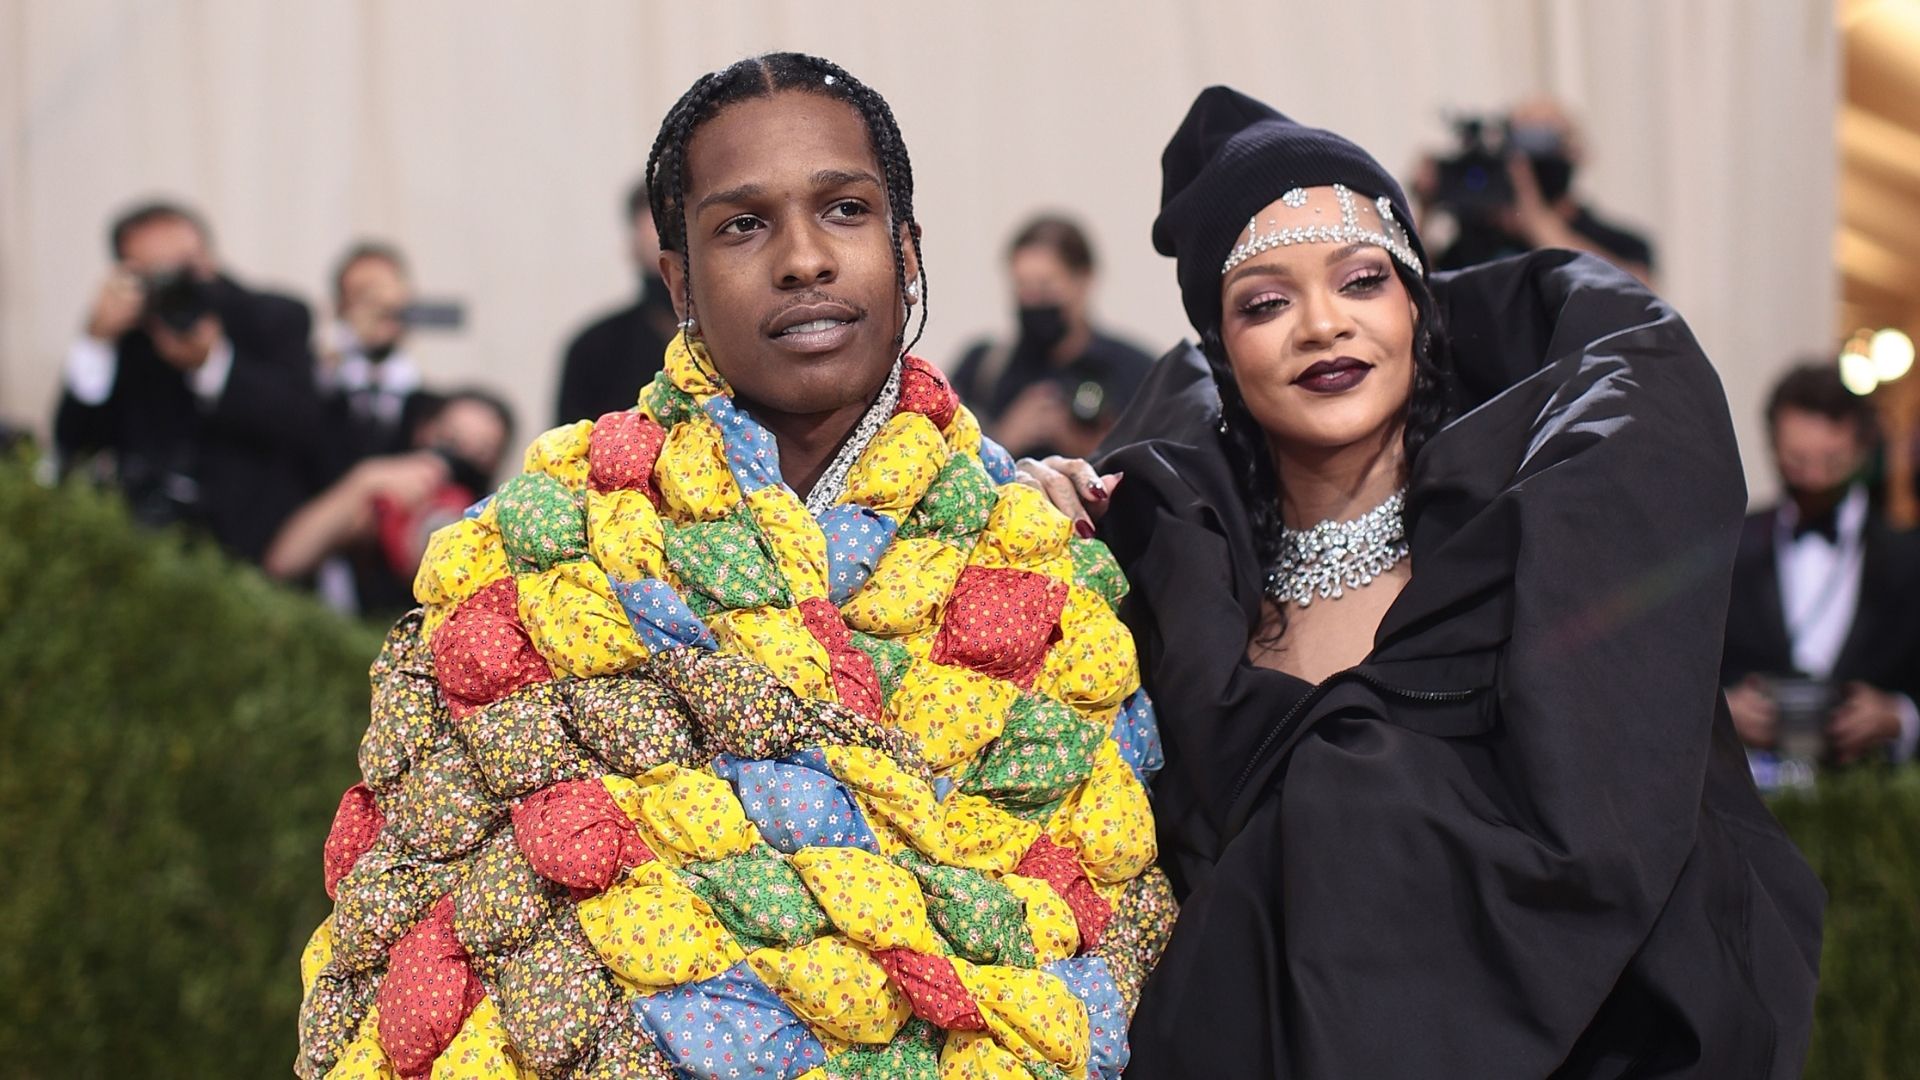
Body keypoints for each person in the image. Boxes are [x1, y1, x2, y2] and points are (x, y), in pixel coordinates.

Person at [296, 54, 1168, 1080]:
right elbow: (427, 918)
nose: (803, 259)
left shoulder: (1036, 554)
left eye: (844, 210)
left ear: (908, 251)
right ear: (680, 281)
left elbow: (1108, 922)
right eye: (742, 225)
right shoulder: (536, 553)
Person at [1017, 87, 1821, 1077]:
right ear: (1223, 352)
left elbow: (1639, 883)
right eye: (1266, 303)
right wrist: (1034, 541)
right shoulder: (1178, 589)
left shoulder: (1542, 549)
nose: (1322, 325)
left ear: (1415, 307)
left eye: (1361, 282)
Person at [53, 200, 325, 563]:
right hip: (148, 550)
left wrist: (212, 364)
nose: (174, 286)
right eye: (157, 275)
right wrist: (96, 341)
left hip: (254, 550)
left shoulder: (274, 316)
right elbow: (75, 444)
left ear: (208, 258)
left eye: (184, 268)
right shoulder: (130, 339)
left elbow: (302, 422)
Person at [1722, 362, 1920, 771]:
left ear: (1864, 449)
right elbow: (1682, 668)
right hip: (1748, 801)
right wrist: (1720, 712)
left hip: (1873, 809)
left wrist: (1897, 717)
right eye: (1796, 462)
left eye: (1832, 463)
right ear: (1773, 448)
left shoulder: (1908, 558)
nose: (1813, 479)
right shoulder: (1729, 545)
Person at [263, 388, 514, 619]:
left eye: (480, 453)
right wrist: (366, 481)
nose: (459, 460)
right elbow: (284, 562)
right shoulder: (380, 495)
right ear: (423, 430)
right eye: (450, 440)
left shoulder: (487, 541)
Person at [952, 216, 1156, 460]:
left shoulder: (1136, 371)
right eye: (1022, 287)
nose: (1033, 300)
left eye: (1045, 286)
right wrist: (1002, 440)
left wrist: (1096, 451)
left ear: (1083, 280)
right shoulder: (985, 368)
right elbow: (943, 466)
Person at [1416, 98, 1656, 285]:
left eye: (1540, 141)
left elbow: (1635, 294)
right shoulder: (1474, 245)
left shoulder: (1622, 243)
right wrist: (1423, 211)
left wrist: (1534, 219)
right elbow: (1420, 295)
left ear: (1576, 152)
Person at [554, 180, 681, 424]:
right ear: (632, 248)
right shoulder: (595, 346)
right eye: (657, 243)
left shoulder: (736, 336)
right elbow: (568, 451)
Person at [320, 241, 427, 468]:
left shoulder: (424, 402)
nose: (381, 306)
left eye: (389, 293)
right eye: (365, 295)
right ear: (341, 306)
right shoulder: (320, 384)